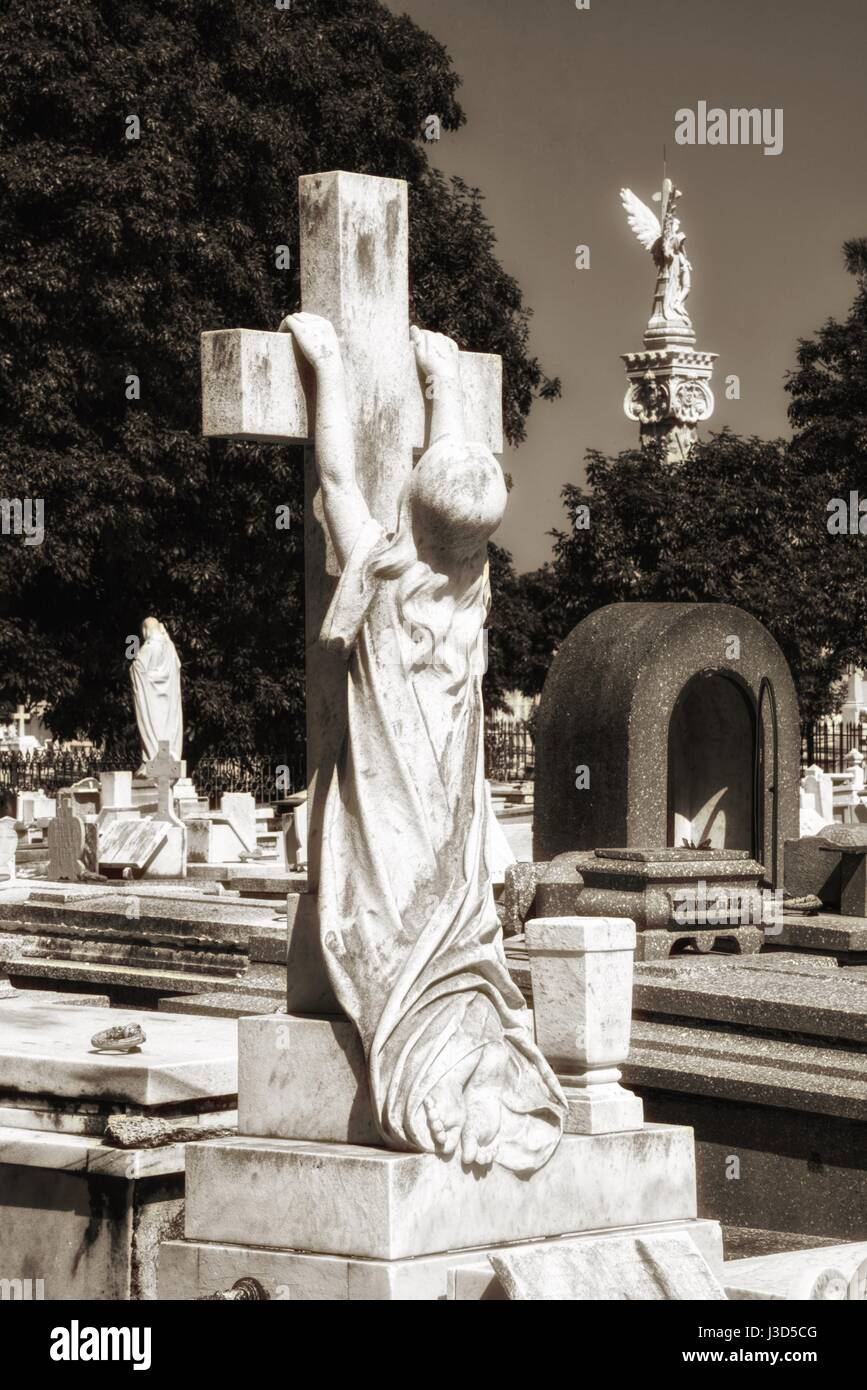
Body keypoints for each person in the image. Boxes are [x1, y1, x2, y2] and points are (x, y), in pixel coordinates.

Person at [284, 312, 565, 1173]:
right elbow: (453, 494)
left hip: (387, 813)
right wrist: (443, 388)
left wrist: (326, 368)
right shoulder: (472, 586)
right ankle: (462, 1057)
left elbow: (335, 476)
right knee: (440, 945)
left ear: (407, 501)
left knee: (384, 937)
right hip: (441, 808)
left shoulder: (376, 569)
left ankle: (428, 1055)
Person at [129, 617, 183, 775]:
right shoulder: (170, 647)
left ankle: (154, 757)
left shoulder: (150, 646)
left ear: (145, 630)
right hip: (168, 701)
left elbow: (137, 668)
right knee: (166, 728)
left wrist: (132, 659)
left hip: (152, 700)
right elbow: (176, 667)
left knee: (153, 726)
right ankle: (165, 756)